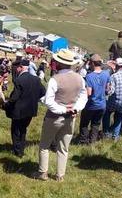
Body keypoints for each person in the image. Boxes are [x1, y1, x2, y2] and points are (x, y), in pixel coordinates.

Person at [36, 49, 86, 182]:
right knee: (64, 147)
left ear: (59, 62)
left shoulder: (55, 79)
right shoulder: (79, 78)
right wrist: (75, 109)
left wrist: (62, 109)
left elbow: (49, 101)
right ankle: (60, 175)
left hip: (54, 116)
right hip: (71, 117)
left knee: (45, 145)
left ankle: (43, 172)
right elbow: (83, 97)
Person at [4, 58, 44, 157]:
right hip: (30, 110)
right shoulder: (36, 79)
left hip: (19, 110)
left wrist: (6, 104)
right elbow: (43, 92)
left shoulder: (19, 80)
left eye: (16, 68)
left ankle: (17, 151)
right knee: (23, 129)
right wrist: (33, 99)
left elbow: (14, 98)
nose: (15, 70)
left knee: (15, 130)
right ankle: (21, 149)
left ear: (21, 67)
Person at [77, 54, 109, 144]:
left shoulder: (89, 76)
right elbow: (107, 89)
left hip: (91, 104)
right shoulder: (106, 74)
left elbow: (89, 93)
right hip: (102, 104)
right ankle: (92, 141)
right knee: (96, 124)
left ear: (92, 63)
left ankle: (83, 141)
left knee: (84, 124)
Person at [104, 57, 122, 139]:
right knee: (119, 116)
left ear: (116, 66)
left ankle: (106, 132)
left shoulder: (113, 76)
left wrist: (106, 89)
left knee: (106, 112)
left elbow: (110, 92)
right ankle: (115, 136)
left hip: (115, 102)